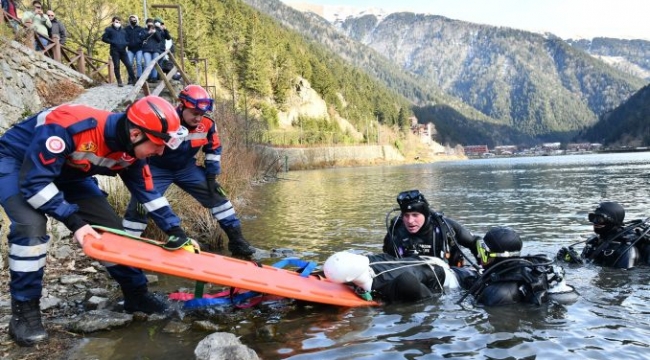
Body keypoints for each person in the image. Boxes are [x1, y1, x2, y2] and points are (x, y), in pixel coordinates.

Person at [0, 95, 192, 347]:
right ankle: (25, 313)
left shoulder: (133, 150)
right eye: (158, 144)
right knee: (30, 227)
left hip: (71, 174)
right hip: (18, 163)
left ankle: (137, 294)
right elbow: (34, 184)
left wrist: (175, 230)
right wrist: (76, 222)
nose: (161, 151)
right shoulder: (70, 126)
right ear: (135, 134)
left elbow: (148, 193)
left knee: (112, 233)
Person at [122, 85, 257, 257]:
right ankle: (126, 247)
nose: (198, 118)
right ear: (182, 105)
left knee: (217, 196)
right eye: (194, 113)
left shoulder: (207, 124)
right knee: (140, 204)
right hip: (157, 168)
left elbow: (214, 148)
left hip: (186, 168)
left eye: (201, 114)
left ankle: (237, 241)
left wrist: (211, 175)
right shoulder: (166, 121)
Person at [463, 227, 577, 306]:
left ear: (496, 256)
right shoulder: (533, 267)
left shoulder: (493, 294)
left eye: (483, 252)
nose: (479, 255)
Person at [323, 251, 472, 303]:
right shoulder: (375, 259)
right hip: (431, 262)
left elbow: (427, 297)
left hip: (451, 280)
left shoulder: (383, 286)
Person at [383, 190, 479, 267]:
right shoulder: (396, 229)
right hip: (408, 279)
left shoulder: (445, 226)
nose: (410, 220)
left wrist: (484, 265)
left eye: (415, 215)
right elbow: (387, 258)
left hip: (452, 277)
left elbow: (475, 241)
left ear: (425, 214)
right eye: (406, 215)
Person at [556, 201, 650, 269]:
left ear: (613, 221)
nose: (594, 222)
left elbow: (624, 277)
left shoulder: (626, 250)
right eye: (592, 218)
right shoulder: (595, 242)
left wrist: (578, 266)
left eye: (599, 219)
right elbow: (587, 262)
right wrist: (571, 259)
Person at [102, 16, 136, 87]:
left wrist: (125, 43)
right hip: (115, 51)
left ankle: (134, 80)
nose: (118, 23)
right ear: (113, 22)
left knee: (129, 65)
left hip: (123, 51)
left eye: (119, 22)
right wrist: (112, 42)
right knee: (117, 66)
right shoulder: (109, 30)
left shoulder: (123, 31)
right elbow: (104, 38)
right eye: (116, 22)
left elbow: (127, 40)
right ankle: (119, 81)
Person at [141, 18, 162, 83]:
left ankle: (154, 77)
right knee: (147, 64)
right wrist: (148, 33)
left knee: (155, 64)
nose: (150, 24)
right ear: (146, 24)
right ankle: (147, 77)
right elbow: (141, 38)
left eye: (151, 23)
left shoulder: (157, 30)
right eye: (148, 23)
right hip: (146, 49)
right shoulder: (144, 30)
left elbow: (159, 39)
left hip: (155, 49)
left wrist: (155, 32)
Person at [125, 14, 145, 79]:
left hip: (139, 49)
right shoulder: (126, 29)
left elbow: (144, 37)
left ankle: (139, 77)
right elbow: (124, 37)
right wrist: (127, 43)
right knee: (129, 64)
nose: (133, 21)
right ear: (129, 20)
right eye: (131, 20)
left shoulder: (141, 29)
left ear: (137, 20)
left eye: (134, 20)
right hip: (130, 49)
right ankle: (130, 77)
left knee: (139, 63)